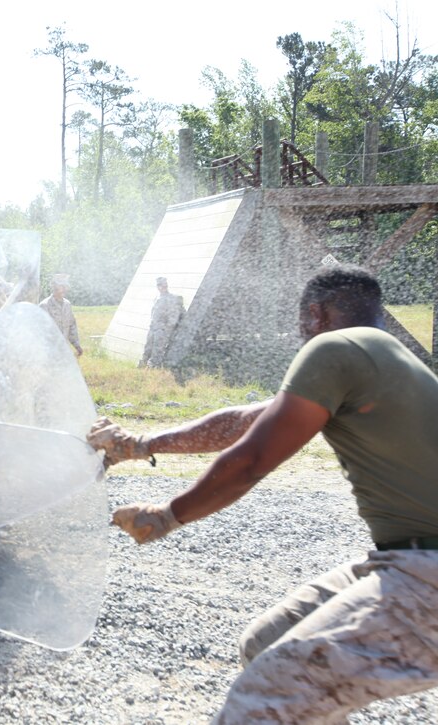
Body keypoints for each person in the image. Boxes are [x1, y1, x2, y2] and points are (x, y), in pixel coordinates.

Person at [94, 264, 438, 723]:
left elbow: (252, 460)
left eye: (301, 324)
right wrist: (142, 446)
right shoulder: (379, 356)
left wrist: (168, 515)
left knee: (266, 698)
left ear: (314, 314)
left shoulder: (333, 349)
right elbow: (245, 423)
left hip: (426, 574)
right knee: (266, 646)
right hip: (409, 561)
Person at [139, 276, 185, 368]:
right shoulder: (157, 298)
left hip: (162, 329)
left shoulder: (171, 298)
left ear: (166, 286)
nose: (161, 287)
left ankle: (153, 368)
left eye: (163, 285)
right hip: (153, 327)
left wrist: (166, 329)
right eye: (159, 285)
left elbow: (173, 316)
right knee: (148, 347)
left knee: (158, 350)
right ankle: (144, 365)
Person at [39, 273, 82, 356]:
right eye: (62, 286)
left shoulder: (67, 305)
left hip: (64, 352)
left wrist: (77, 346)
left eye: (66, 287)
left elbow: (72, 326)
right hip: (48, 353)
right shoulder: (44, 306)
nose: (65, 289)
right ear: (54, 287)